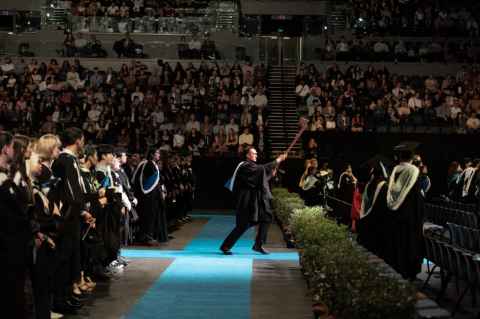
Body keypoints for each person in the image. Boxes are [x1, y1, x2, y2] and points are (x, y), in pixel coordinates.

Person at [220, 147, 287, 255]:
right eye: (253, 153)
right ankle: (225, 246)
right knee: (243, 225)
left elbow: (259, 179)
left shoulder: (252, 166)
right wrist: (277, 160)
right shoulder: (244, 165)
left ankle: (258, 245)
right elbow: (259, 171)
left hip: (255, 199)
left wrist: (270, 174)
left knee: (266, 217)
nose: (256, 155)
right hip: (247, 200)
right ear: (247, 155)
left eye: (256, 154)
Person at [385, 147, 424, 280]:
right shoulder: (413, 171)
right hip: (410, 216)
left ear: (401, 157)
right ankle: (408, 270)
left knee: (398, 243)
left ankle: (396, 267)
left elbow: (392, 191)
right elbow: (416, 198)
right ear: (412, 158)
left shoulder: (395, 170)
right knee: (409, 243)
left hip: (395, 214)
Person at [357, 160, 389, 257]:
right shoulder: (382, 187)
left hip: (366, 220)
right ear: (381, 175)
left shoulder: (369, 185)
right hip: (376, 222)